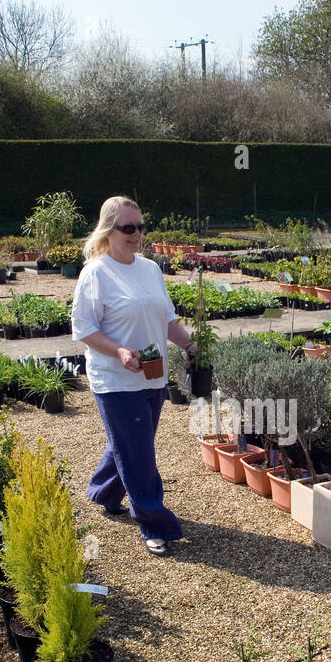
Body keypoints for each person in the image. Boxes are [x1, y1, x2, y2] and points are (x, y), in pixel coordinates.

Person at [70, 196, 195, 556]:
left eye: (140, 226)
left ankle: (104, 491)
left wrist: (192, 345)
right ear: (108, 231)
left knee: (129, 443)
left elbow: (166, 320)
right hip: (115, 380)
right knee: (138, 452)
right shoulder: (96, 273)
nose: (136, 234)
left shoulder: (150, 269)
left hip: (153, 376)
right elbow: (83, 329)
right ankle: (154, 524)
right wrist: (120, 351)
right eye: (128, 228)